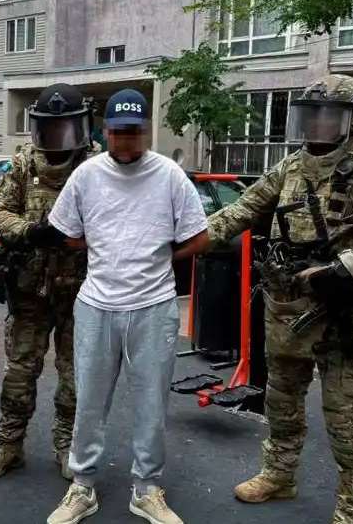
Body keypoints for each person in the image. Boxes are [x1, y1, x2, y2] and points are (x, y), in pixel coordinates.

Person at [206, 74, 353, 524]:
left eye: (327, 117)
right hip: (288, 308)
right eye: (310, 116)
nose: (315, 126)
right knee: (280, 400)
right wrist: (190, 237)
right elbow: (243, 208)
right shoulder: (292, 165)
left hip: (344, 314)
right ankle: (279, 475)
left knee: (346, 419)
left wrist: (343, 270)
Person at [43, 88, 209, 524]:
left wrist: (156, 256)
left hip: (153, 305)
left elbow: (199, 236)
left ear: (146, 132)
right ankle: (82, 487)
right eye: (118, 133)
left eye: (135, 132)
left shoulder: (170, 175)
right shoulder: (86, 176)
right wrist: (108, 250)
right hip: (97, 304)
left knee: (152, 402)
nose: (126, 141)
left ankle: (147, 488)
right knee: (90, 401)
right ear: (105, 132)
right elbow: (67, 231)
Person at [0, 83, 91, 482]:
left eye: (66, 127)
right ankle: (9, 445)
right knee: (20, 372)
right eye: (50, 127)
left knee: (74, 376)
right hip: (31, 289)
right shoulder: (24, 162)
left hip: (81, 291)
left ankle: (67, 446)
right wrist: (30, 232)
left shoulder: (96, 165)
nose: (58, 137)